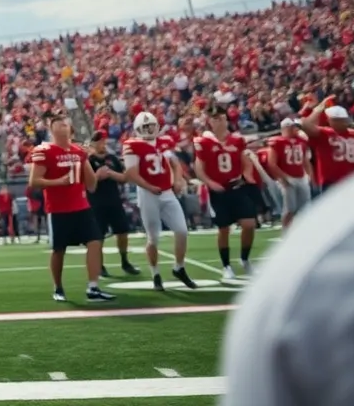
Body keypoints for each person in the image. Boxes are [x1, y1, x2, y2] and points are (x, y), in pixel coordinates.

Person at [220, 0, 354, 405]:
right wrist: (323, 110)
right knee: (297, 219)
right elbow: (310, 132)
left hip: (353, 203)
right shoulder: (329, 135)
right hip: (341, 194)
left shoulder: (328, 274)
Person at [27, 113, 115, 303]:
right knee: (59, 250)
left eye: (64, 123)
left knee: (95, 241)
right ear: (51, 130)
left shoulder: (78, 151)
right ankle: (58, 286)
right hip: (58, 208)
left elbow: (91, 185)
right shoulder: (44, 150)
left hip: (81, 205)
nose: (62, 125)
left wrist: (88, 162)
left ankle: (93, 287)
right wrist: (59, 181)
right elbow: (34, 181)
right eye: (57, 123)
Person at [122, 112, 197, 291]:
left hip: (167, 192)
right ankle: (155, 273)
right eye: (145, 127)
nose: (149, 130)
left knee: (182, 230)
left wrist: (178, 180)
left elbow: (175, 164)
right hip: (148, 194)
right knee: (153, 237)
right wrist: (148, 186)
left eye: (151, 126)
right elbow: (131, 173)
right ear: (138, 129)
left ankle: (179, 267)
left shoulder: (164, 141)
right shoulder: (132, 145)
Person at [193, 105, 257, 280]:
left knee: (249, 224)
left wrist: (246, 175)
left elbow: (246, 161)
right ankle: (226, 265)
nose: (218, 121)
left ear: (226, 119)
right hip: (218, 191)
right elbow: (199, 168)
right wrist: (210, 183)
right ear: (209, 122)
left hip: (236, 186)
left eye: (221, 118)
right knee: (223, 229)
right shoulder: (204, 142)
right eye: (214, 119)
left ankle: (245, 259)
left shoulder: (237, 140)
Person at [85, 131, 139, 278]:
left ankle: (125, 260)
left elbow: (124, 177)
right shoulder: (89, 161)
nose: (102, 144)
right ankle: (100, 265)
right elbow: (87, 184)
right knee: (98, 236)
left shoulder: (112, 159)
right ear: (93, 144)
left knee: (122, 232)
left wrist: (110, 174)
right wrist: (97, 176)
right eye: (99, 142)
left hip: (114, 201)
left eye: (104, 141)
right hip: (96, 203)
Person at [300, 100, 354, 193]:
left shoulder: (325, 133)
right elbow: (305, 125)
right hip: (341, 181)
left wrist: (317, 110)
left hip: (350, 180)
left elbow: (305, 125)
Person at [265, 118, 312, 227]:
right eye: (293, 127)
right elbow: (272, 163)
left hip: (301, 177)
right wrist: (284, 178)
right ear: (286, 128)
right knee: (290, 209)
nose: (296, 129)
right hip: (287, 177)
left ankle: (305, 231)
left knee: (306, 209)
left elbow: (305, 160)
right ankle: (287, 233)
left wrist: (309, 175)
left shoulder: (301, 141)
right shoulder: (278, 142)